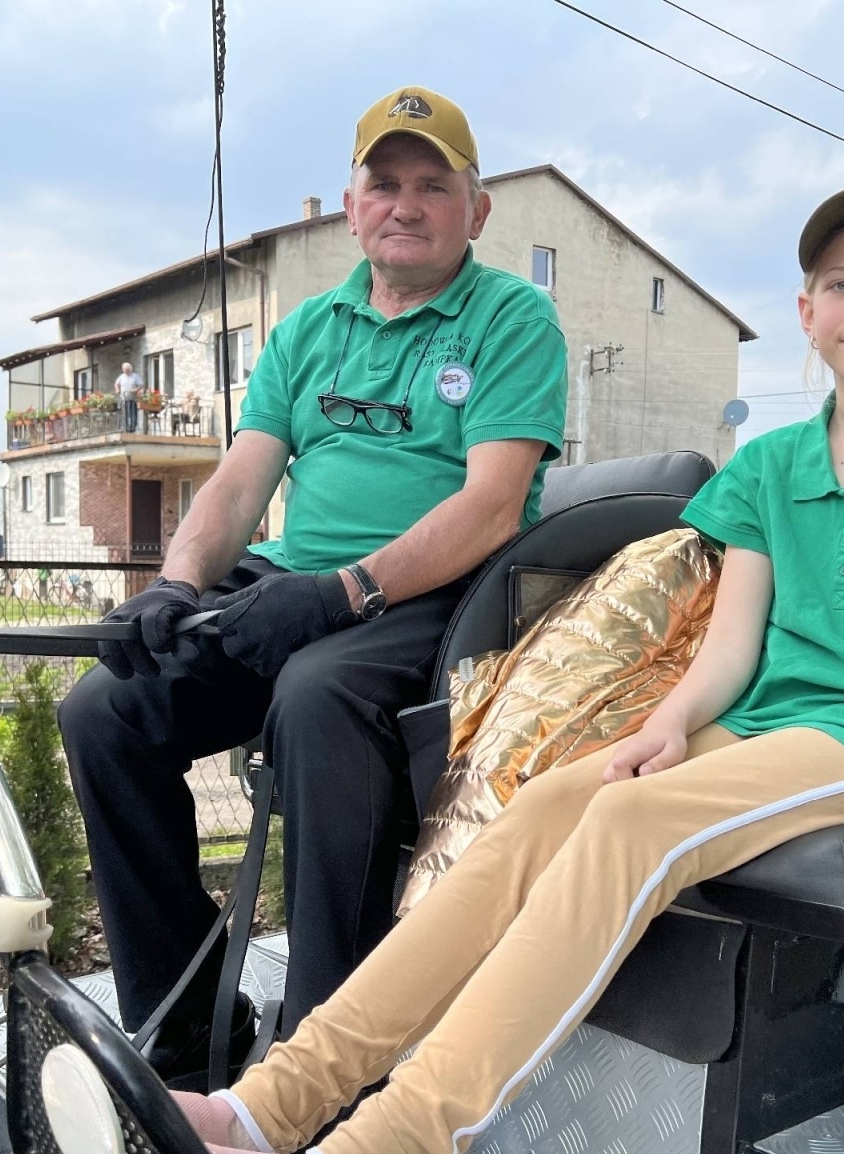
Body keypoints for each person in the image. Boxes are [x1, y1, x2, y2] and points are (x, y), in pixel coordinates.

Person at [165, 186, 844, 1154]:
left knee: (631, 823)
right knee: (548, 806)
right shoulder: (772, 464)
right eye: (839, 285)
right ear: (806, 312)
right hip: (755, 729)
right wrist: (664, 724)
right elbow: (731, 648)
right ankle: (272, 1101)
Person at [57, 85, 568, 1079]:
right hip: (294, 582)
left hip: (443, 596)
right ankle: (186, 1005)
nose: (406, 205)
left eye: (433, 185)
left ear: (478, 209)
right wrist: (173, 587)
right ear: (350, 204)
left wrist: (345, 595)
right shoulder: (306, 331)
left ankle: (330, 1047)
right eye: (385, 185)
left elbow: (493, 506)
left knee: (317, 695)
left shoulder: (512, 320)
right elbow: (241, 482)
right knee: (105, 713)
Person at [115, 361, 145, 432]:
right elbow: (116, 384)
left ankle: (132, 428)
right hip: (124, 398)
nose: (126, 371)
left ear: (131, 369)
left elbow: (141, 385)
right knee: (124, 413)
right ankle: (125, 428)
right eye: (125, 370)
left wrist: (136, 389)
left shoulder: (135, 376)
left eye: (128, 370)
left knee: (133, 414)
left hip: (132, 399)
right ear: (123, 370)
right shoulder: (121, 376)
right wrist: (117, 389)